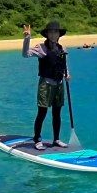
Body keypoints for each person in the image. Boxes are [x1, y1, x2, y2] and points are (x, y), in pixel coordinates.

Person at [22, 21, 70, 150]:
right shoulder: (41, 48)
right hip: (46, 84)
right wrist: (27, 38)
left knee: (57, 113)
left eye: (56, 32)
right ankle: (37, 139)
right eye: (51, 32)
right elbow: (25, 54)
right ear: (47, 34)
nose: (54, 34)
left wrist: (67, 74)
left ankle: (56, 139)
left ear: (59, 34)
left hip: (59, 84)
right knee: (42, 112)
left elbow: (63, 64)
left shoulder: (62, 49)